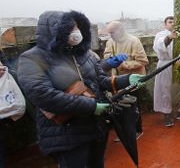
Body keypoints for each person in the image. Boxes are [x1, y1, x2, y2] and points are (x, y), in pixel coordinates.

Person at [17, 10, 144, 168]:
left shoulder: (84, 54)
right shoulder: (33, 58)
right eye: (70, 28)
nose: (76, 32)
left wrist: (126, 80)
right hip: (66, 132)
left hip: (95, 127)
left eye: (77, 27)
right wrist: (91, 106)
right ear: (56, 30)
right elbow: (42, 95)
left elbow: (100, 80)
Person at [103, 21, 148, 138]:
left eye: (112, 32)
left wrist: (124, 65)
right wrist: (111, 59)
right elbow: (106, 56)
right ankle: (124, 132)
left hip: (132, 80)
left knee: (133, 107)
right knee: (119, 106)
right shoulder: (110, 41)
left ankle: (137, 130)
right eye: (109, 33)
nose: (110, 35)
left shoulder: (134, 41)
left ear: (120, 30)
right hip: (116, 81)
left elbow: (143, 61)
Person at [153, 16, 180, 127]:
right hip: (166, 65)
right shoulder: (160, 35)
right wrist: (169, 38)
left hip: (179, 65)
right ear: (165, 24)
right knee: (166, 89)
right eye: (170, 22)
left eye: (174, 22)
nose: (172, 24)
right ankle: (167, 114)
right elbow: (159, 47)